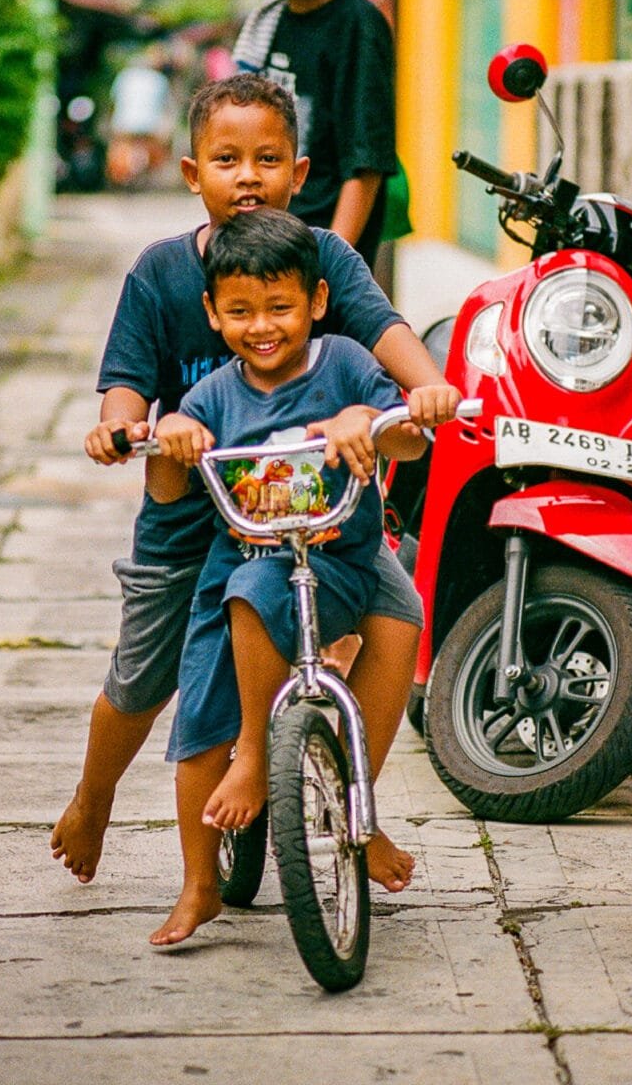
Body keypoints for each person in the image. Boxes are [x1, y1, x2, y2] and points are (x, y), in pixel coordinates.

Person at [50, 73, 461, 891]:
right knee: (144, 673)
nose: (248, 176)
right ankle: (93, 799)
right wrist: (122, 426)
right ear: (192, 173)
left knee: (398, 612)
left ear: (297, 175)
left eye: (267, 159)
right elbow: (128, 379)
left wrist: (430, 392)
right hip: (193, 508)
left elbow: (384, 334)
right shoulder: (164, 274)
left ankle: (358, 809)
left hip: (310, 509)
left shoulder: (325, 259)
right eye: (227, 159)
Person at [146, 210, 428, 946]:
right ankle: (200, 883)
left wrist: (367, 418)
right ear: (213, 313)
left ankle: (354, 820)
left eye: (281, 307)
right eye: (240, 312)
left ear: (317, 302)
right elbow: (170, 492)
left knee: (397, 631)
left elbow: (407, 436)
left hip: (335, 562)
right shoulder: (210, 399)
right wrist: (168, 442)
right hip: (237, 567)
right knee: (196, 729)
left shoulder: (341, 364)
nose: (262, 326)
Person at [232, 0, 395, 270]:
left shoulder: (357, 24)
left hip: (320, 251)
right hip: (263, 241)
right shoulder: (269, 21)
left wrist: (332, 262)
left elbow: (366, 162)